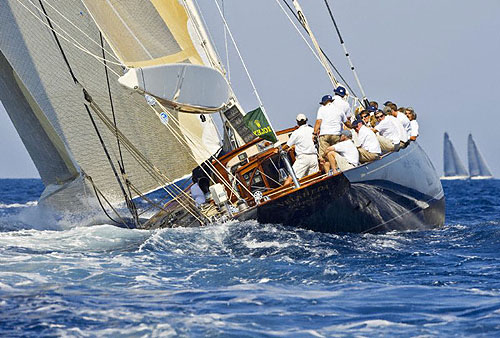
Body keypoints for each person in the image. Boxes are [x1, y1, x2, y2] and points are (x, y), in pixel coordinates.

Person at [313, 86, 351, 171]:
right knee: (336, 154)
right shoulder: (341, 108)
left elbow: (318, 121)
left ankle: (328, 174)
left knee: (324, 157)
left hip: (325, 135)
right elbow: (347, 122)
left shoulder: (322, 109)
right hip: (336, 134)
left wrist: (314, 133)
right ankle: (338, 171)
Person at [283, 114, 319, 185]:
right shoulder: (312, 130)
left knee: (291, 177)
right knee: (313, 179)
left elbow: (287, 145)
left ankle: (283, 193)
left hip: (303, 159)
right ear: (306, 120)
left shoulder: (296, 133)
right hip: (314, 157)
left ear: (297, 122)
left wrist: (279, 149)